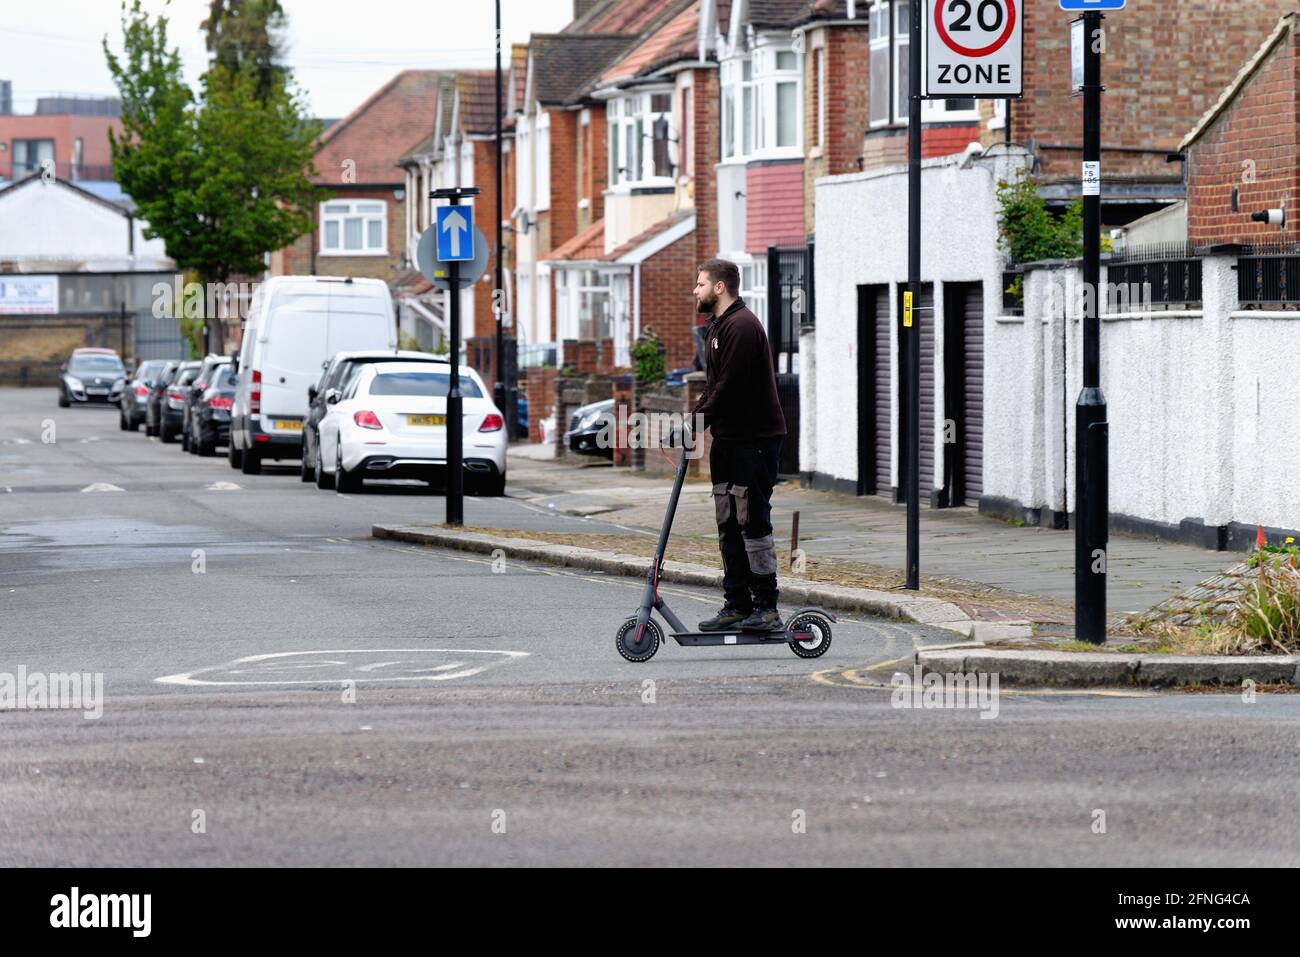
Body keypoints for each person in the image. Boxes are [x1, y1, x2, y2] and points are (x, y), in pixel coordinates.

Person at [689, 259, 787, 632]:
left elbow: (729, 389)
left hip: (755, 441)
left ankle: (767, 606)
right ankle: (736, 604)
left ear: (719, 288)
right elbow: (713, 389)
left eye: (700, 285)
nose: (695, 291)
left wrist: (695, 424)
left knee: (753, 521)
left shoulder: (743, 328)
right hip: (728, 440)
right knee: (728, 521)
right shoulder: (717, 327)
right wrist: (691, 423)